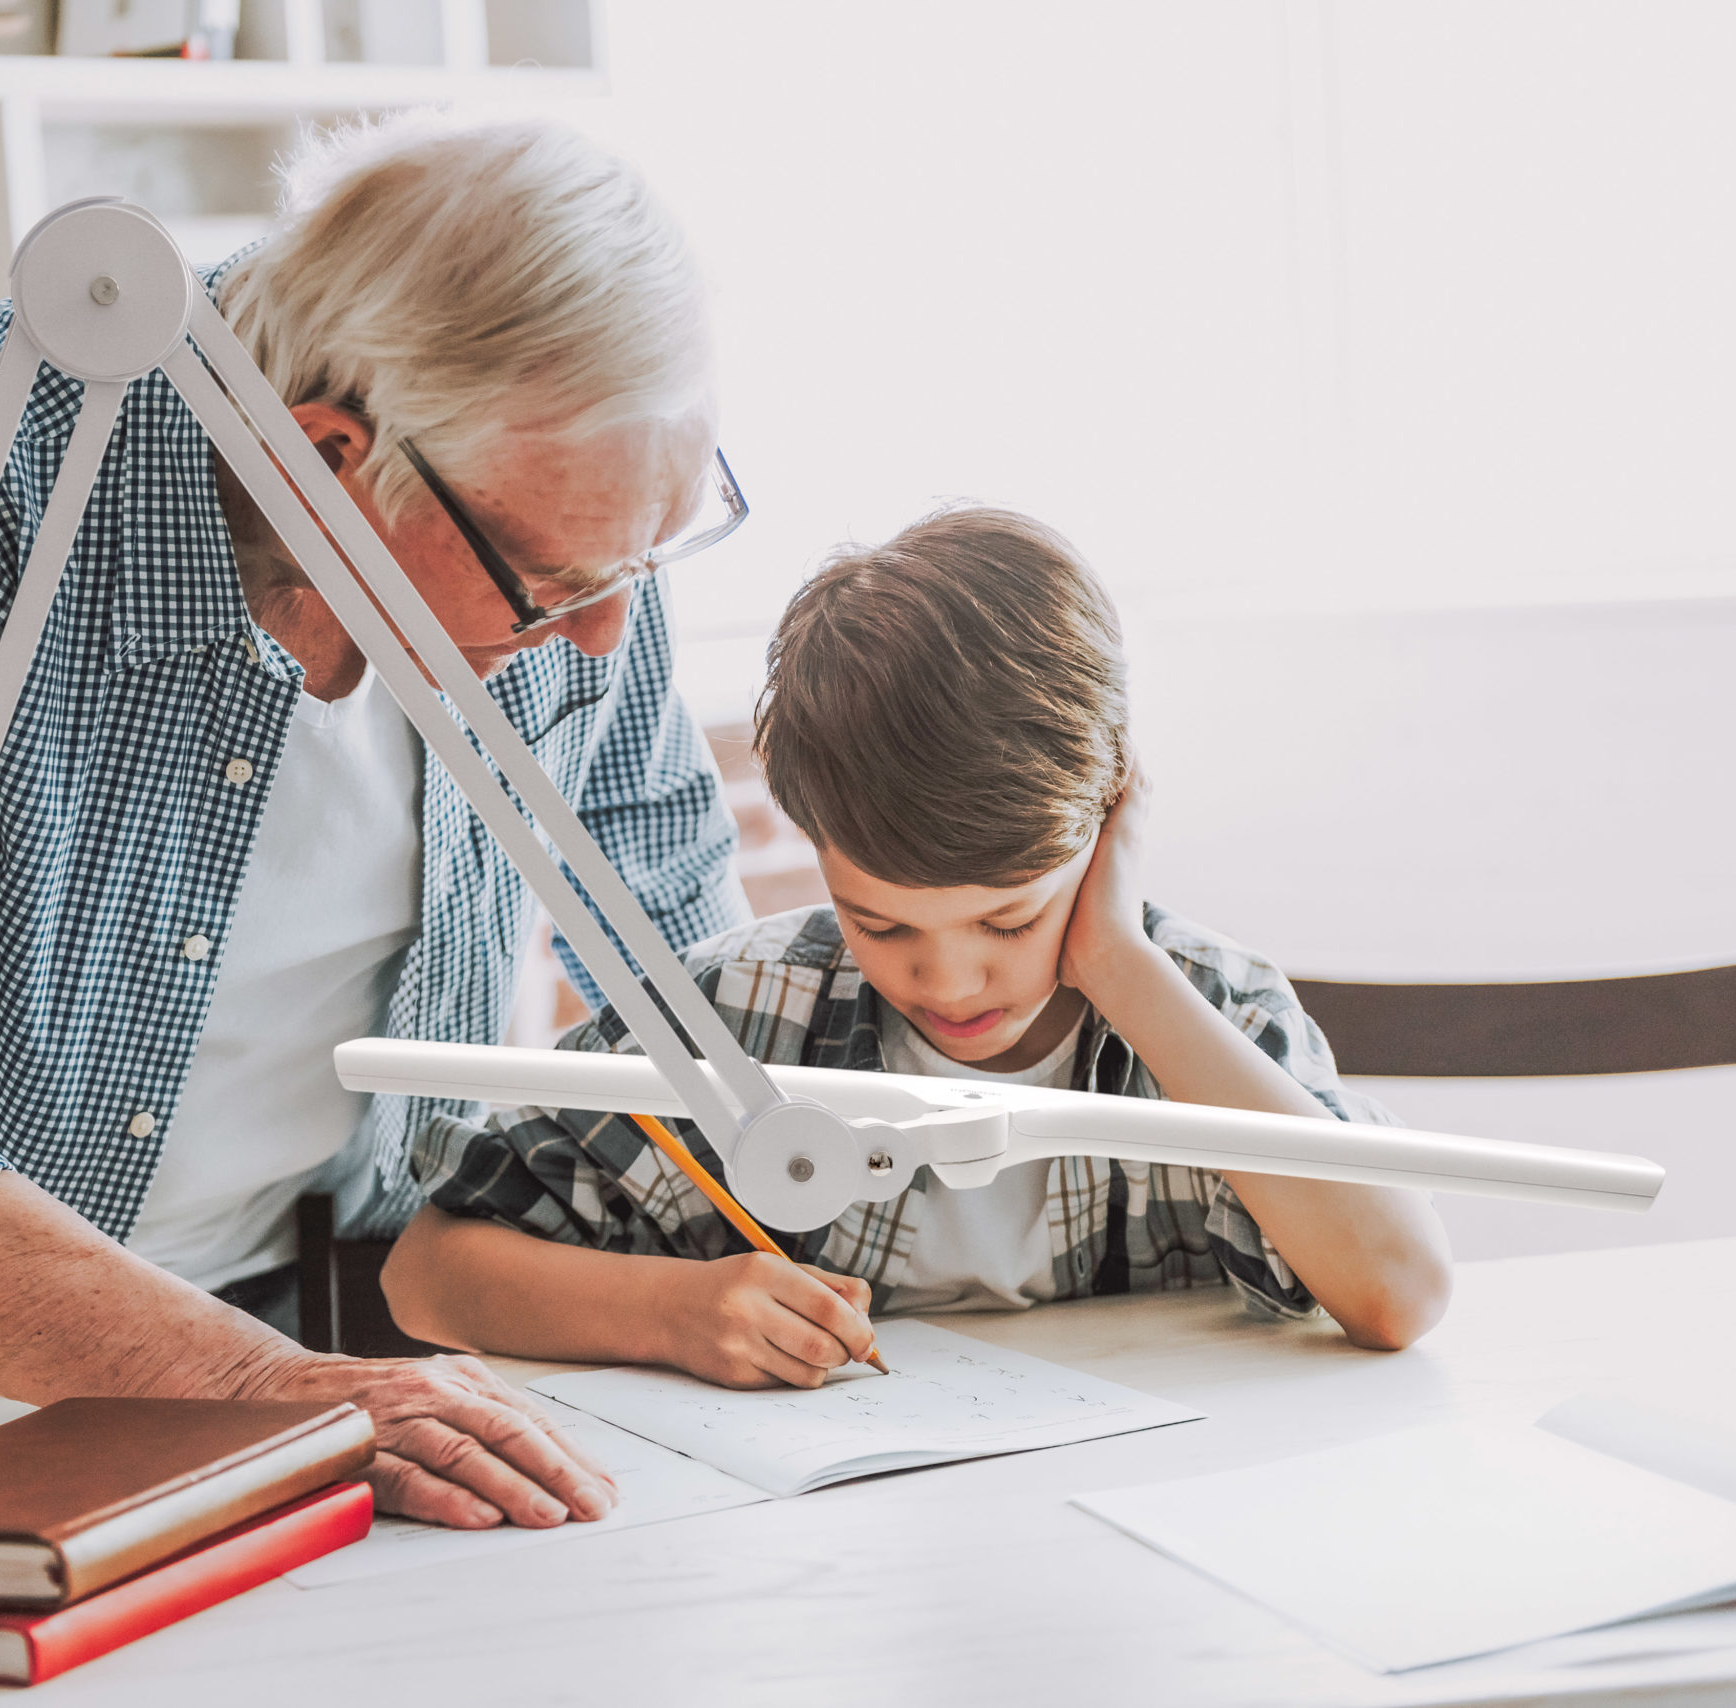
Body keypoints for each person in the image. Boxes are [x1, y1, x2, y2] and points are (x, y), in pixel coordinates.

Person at [0, 114, 755, 1529]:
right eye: (556, 583)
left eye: (641, 566)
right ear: (331, 458)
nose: (604, 639)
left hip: (334, 1337)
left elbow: (679, 926)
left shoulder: (556, 511)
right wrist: (290, 1399)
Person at [383, 506, 1455, 1386]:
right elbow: (427, 1275)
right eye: (880, 922)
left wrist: (1120, 963)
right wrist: (669, 1311)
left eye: (1009, 919)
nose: (944, 979)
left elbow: (1397, 1291)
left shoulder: (1212, 1009)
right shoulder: (741, 1018)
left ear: (1109, 816)